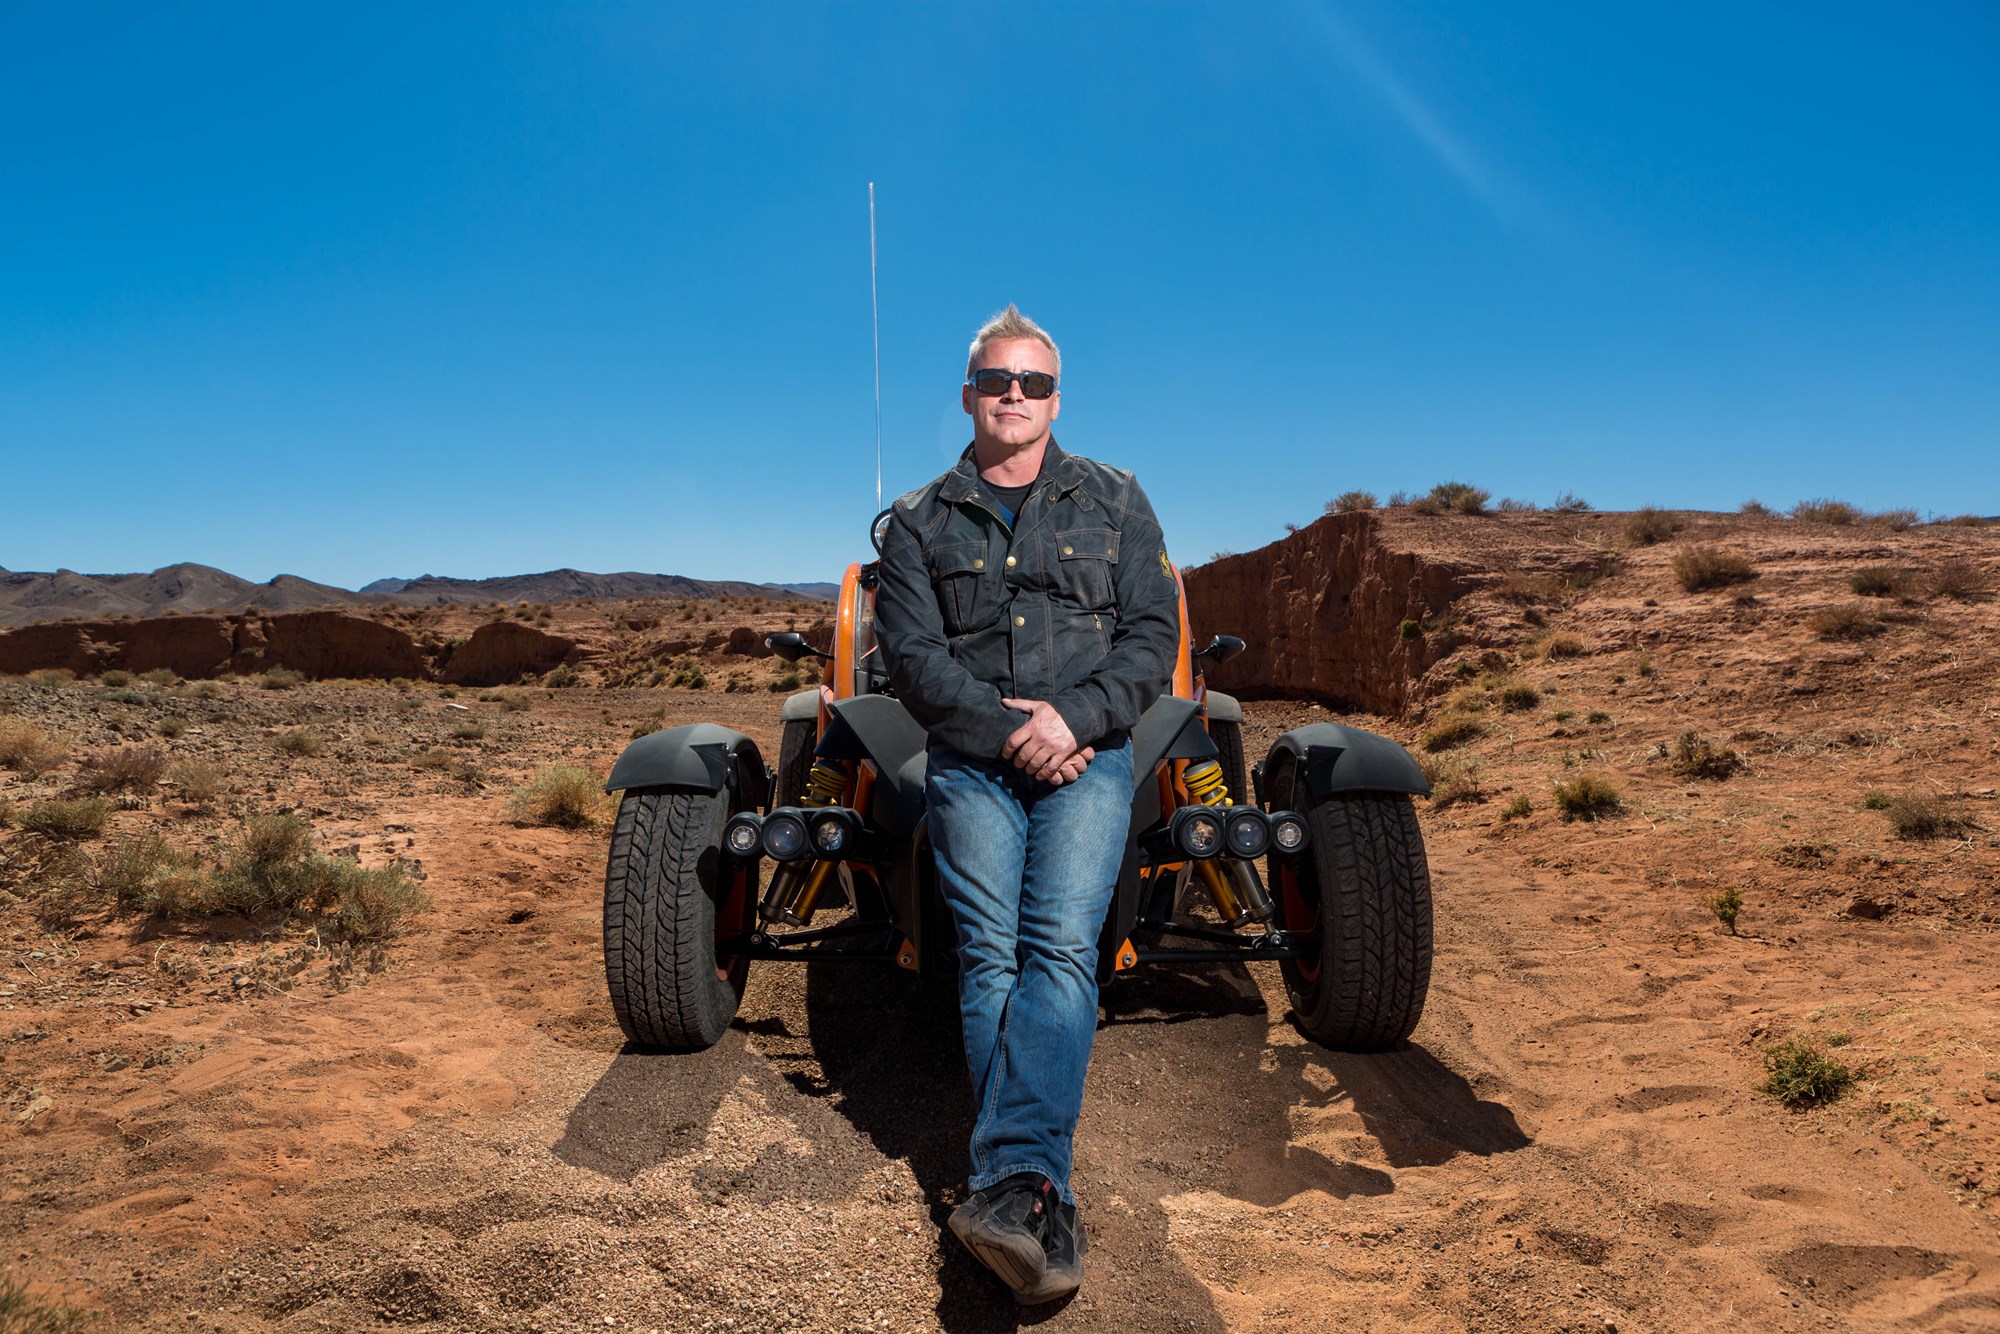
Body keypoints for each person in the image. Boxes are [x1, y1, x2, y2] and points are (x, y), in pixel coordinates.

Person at [872, 305, 1180, 1304]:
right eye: (998, 381)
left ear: (1055, 398)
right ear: (968, 395)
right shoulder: (918, 520)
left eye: (1033, 383)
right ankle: (1035, 1189)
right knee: (989, 952)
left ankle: (1012, 1183)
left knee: (1057, 946)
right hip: (974, 759)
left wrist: (1074, 719)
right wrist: (1013, 732)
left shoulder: (1117, 499)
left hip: (1089, 753)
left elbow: (1151, 633)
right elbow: (912, 659)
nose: (1015, 395)